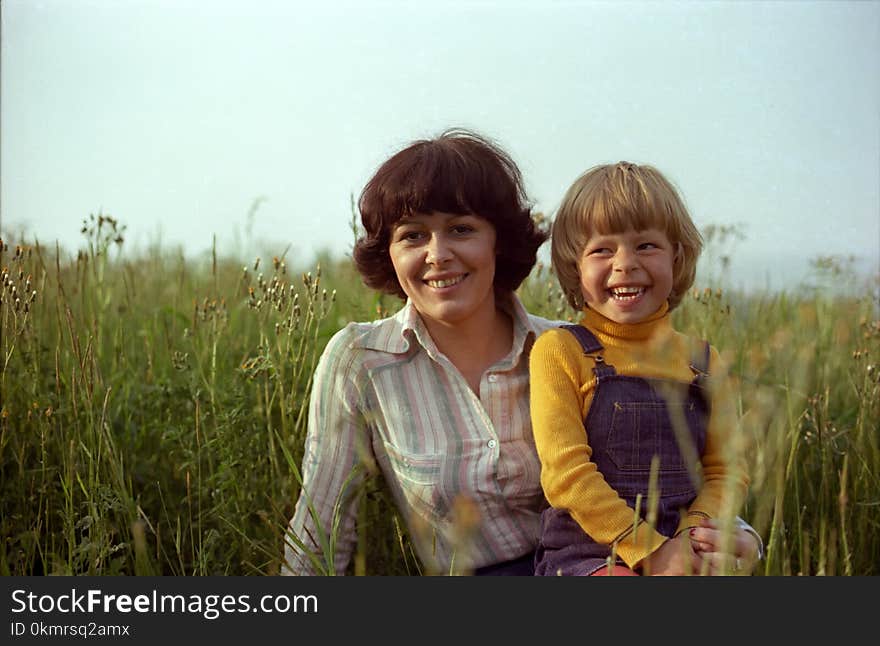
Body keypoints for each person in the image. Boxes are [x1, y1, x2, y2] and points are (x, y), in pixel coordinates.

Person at [281, 131, 760, 576]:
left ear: (499, 241)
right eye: (413, 235)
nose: (438, 253)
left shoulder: (575, 353)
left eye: (461, 229)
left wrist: (736, 540)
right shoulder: (361, 361)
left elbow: (675, 475)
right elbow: (320, 532)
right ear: (388, 252)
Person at [530, 161, 749, 576]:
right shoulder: (560, 351)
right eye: (601, 249)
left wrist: (692, 537)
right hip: (589, 552)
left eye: (646, 245)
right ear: (574, 267)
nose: (625, 263)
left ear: (677, 256)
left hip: (684, 545)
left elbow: (727, 470)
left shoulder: (703, 361)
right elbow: (565, 474)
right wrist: (648, 550)